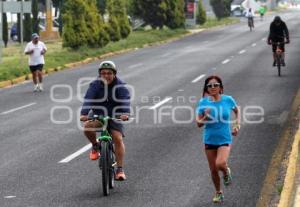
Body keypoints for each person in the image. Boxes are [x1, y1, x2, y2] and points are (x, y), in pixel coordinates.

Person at [80, 60, 130, 181]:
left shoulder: (120, 85)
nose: (106, 76)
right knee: (87, 127)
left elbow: (124, 99)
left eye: (109, 73)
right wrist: (84, 113)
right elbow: (88, 99)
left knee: (117, 138)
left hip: (115, 114)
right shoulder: (95, 85)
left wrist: (125, 113)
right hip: (99, 113)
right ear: (100, 74)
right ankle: (95, 146)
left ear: (114, 74)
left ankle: (120, 169)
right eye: (103, 73)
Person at [196, 76, 240, 203]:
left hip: (225, 138)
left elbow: (237, 111)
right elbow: (198, 123)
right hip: (209, 140)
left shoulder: (228, 100)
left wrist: (237, 125)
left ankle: (226, 172)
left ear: (220, 87)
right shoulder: (203, 103)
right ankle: (218, 192)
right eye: (210, 86)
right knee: (213, 170)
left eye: (215, 85)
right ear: (207, 89)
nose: (213, 87)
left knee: (220, 163)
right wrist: (205, 117)